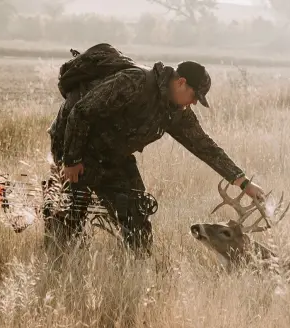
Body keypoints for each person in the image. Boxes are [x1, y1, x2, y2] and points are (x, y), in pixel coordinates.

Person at [44, 46, 265, 257]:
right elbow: (80, 112)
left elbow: (205, 147)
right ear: (181, 82)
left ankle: (136, 272)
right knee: (69, 220)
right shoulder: (134, 82)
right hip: (76, 147)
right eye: (194, 96)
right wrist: (71, 160)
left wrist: (243, 182)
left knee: (138, 220)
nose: (194, 103)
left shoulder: (175, 112)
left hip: (115, 158)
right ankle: (58, 265)